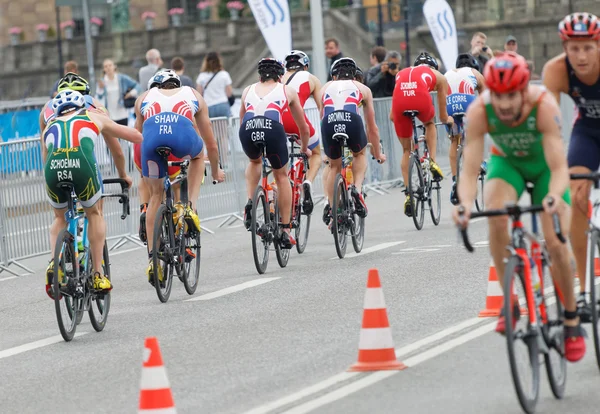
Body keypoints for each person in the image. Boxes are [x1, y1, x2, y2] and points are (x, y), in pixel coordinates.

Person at [453, 52, 586, 363]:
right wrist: (462, 204)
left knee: (555, 242)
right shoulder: (479, 111)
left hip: (544, 168)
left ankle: (570, 320)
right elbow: (470, 169)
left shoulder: (543, 105)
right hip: (508, 162)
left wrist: (553, 197)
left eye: (511, 95)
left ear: (524, 90)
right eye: (498, 95)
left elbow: (557, 168)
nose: (505, 104)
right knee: (495, 214)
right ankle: (509, 301)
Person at [42, 90, 142, 296]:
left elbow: (46, 158)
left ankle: (54, 263)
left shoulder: (49, 125)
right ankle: (97, 275)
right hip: (81, 167)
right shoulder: (92, 115)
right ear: (81, 105)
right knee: (94, 213)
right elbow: (135, 136)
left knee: (59, 218)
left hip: (53, 169)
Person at [135, 70, 225, 285]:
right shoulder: (192, 93)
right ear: (177, 83)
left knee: (155, 197)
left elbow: (137, 139)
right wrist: (215, 170)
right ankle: (189, 207)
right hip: (181, 139)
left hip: (150, 144)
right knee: (198, 155)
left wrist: (142, 172)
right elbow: (211, 142)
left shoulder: (143, 99)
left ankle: (153, 260)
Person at [542, 12, 600, 321]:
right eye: (573, 48)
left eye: (588, 47)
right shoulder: (556, 70)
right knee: (576, 194)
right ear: (564, 46)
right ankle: (585, 288)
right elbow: (550, 125)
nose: (580, 56)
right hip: (587, 131)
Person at [238, 58, 310, 248]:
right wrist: (304, 148)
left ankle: (250, 202)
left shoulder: (247, 90)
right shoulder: (287, 90)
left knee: (254, 162)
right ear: (280, 75)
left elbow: (241, 119)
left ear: (259, 75)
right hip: (272, 129)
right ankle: (286, 229)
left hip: (248, 129)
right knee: (281, 176)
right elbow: (303, 127)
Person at [319, 57, 386, 226]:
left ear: (334, 76)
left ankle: (332, 208)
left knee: (334, 165)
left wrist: (326, 152)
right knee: (359, 154)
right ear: (354, 76)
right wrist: (377, 153)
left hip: (329, 123)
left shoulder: (324, 88)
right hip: (351, 121)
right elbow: (372, 128)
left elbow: (322, 118)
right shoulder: (362, 89)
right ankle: (356, 188)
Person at [390, 52, 452, 217]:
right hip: (420, 100)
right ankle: (432, 161)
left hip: (400, 104)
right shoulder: (438, 76)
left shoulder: (401, 73)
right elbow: (443, 115)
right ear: (433, 67)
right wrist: (447, 120)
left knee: (406, 151)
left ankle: (408, 194)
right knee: (430, 123)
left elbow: (390, 116)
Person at [281, 50, 323, 215]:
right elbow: (322, 110)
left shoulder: (278, 79)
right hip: (296, 122)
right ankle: (308, 182)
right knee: (316, 154)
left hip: (274, 121)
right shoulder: (311, 78)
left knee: (277, 164)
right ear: (305, 65)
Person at [444, 53, 486, 205]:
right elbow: (485, 97)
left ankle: (455, 180)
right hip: (467, 103)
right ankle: (479, 161)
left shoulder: (447, 73)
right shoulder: (475, 73)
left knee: (454, 141)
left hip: (449, 104)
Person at [196, 52, 234, 118]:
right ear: (219, 61)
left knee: (211, 128)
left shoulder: (201, 76)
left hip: (208, 106)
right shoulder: (224, 74)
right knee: (225, 128)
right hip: (222, 104)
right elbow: (229, 93)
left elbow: (199, 95)